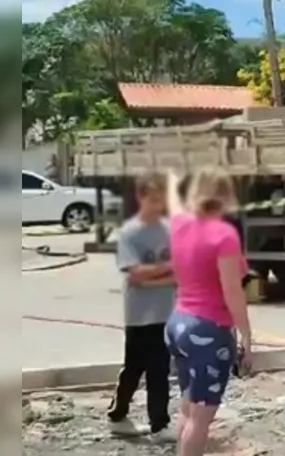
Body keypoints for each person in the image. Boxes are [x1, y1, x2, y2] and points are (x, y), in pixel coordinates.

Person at [164, 167, 253, 456]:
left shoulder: (179, 223)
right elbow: (232, 291)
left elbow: (175, 202)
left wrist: (171, 177)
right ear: (226, 196)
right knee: (202, 417)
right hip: (208, 330)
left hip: (178, 323)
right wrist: (246, 336)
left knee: (189, 406)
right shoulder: (224, 235)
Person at [106, 171, 175, 442]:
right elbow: (136, 275)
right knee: (133, 368)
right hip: (138, 315)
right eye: (153, 200)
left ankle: (159, 424)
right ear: (141, 198)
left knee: (160, 368)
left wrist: (159, 275)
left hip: (164, 313)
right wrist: (170, 273)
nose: (158, 206)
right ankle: (118, 415)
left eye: (162, 200)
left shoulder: (168, 229)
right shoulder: (130, 233)